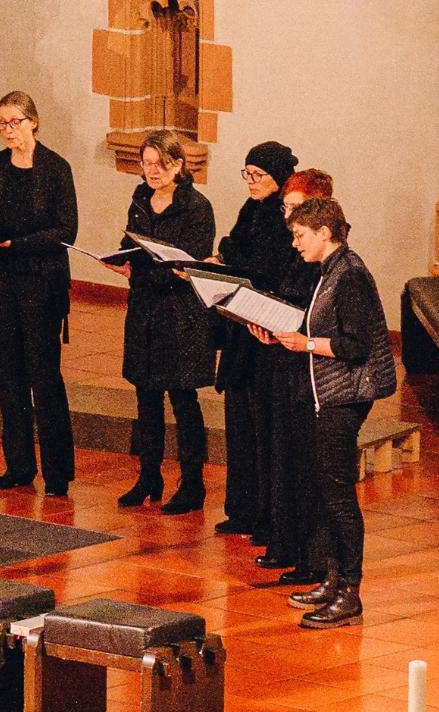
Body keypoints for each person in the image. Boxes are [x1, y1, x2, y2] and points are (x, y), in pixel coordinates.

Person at [274, 197, 395, 628]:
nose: (295, 245)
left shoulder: (351, 276)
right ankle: (331, 578)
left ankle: (350, 593)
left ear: (325, 233)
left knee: (339, 494)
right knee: (325, 489)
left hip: (344, 398)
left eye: (300, 236)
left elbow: (356, 346)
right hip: (327, 394)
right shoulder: (330, 270)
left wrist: (303, 343)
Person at [0, 91, 78, 496]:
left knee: (43, 375)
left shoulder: (55, 168)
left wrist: (19, 244)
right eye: (2, 123)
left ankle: (57, 472)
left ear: (33, 120)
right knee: (8, 373)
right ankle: (18, 465)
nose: (8, 130)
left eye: (15, 121)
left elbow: (66, 231)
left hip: (41, 282)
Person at [110, 130, 216, 515]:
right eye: (147, 163)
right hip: (144, 311)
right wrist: (121, 259)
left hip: (181, 315)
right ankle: (148, 476)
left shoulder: (197, 207)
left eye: (161, 164)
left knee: (183, 400)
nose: (152, 171)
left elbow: (190, 263)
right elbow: (131, 243)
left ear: (178, 166)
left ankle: (192, 484)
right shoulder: (140, 198)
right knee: (145, 397)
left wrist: (143, 269)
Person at [214, 140, 299, 542]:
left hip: (263, 330)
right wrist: (232, 259)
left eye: (258, 175)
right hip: (240, 328)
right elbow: (231, 247)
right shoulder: (251, 209)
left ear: (278, 178)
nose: (250, 182)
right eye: (246, 173)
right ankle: (242, 509)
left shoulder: (283, 217)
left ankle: (266, 514)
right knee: (239, 423)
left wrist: (233, 259)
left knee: (262, 429)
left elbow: (262, 266)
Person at [258, 167, 334, 585]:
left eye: (295, 209)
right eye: (285, 208)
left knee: (309, 469)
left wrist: (294, 333)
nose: (287, 219)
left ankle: (313, 559)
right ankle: (286, 544)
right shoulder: (297, 251)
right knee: (284, 458)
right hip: (286, 363)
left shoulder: (336, 266)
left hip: (315, 375)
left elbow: (331, 325)